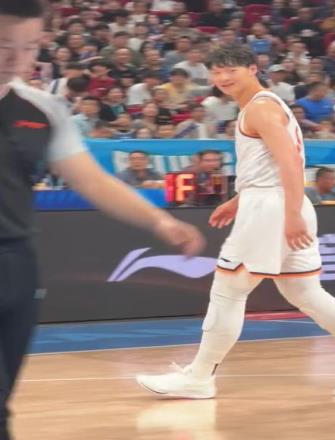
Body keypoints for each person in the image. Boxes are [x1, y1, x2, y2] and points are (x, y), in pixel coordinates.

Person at [136, 44, 335, 399]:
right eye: (217, 72)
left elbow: (290, 162)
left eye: (231, 70)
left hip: (273, 207)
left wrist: (289, 214)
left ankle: (199, 377)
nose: (223, 78)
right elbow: (271, 165)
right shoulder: (263, 105)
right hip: (275, 201)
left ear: (252, 69)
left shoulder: (260, 108)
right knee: (304, 291)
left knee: (228, 289)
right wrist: (239, 199)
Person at [0, 2, 205, 439]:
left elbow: (91, 180)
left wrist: (159, 221)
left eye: (29, 47)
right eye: (3, 45)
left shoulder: (42, 110)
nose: (16, 59)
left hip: (16, 268)